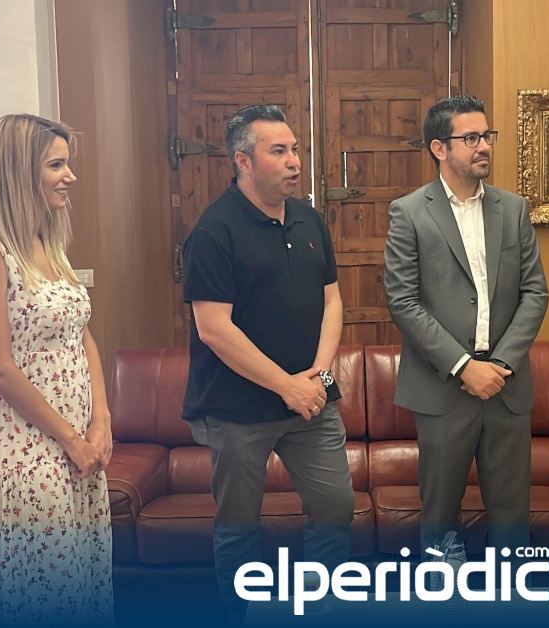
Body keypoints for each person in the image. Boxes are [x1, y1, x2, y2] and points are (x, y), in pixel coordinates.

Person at [181, 104, 353, 619]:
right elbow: (214, 329)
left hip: (311, 401)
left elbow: (332, 301)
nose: (294, 160)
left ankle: (321, 609)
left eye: (294, 149)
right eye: (279, 151)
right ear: (244, 161)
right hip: (237, 409)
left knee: (335, 507)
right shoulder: (213, 232)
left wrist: (319, 375)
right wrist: (286, 386)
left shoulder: (309, 219)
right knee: (239, 525)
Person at [0, 114, 113, 627]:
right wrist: (71, 439)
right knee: (46, 593)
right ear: (18, 171)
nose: (70, 176)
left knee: (87, 587)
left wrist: (101, 421)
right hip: (27, 453)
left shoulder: (47, 242)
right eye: (56, 165)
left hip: (78, 445)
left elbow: (82, 334)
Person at [384, 95, 549, 560]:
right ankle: (442, 592)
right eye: (471, 138)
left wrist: (501, 364)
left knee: (512, 517)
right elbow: (402, 301)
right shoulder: (409, 212)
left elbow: (536, 293)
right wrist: (463, 366)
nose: (484, 146)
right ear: (440, 148)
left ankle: (509, 591)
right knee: (440, 516)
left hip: (505, 386)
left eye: (487, 136)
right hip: (443, 388)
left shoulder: (512, 209)